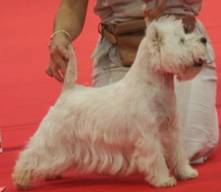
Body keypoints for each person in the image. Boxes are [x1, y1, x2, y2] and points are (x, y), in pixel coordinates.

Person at [47, 0, 219, 163]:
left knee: (185, 149)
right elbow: (71, 6)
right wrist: (61, 35)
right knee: (117, 149)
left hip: (186, 47)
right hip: (119, 53)